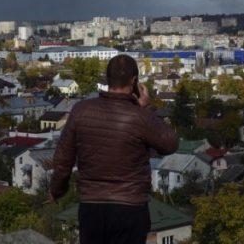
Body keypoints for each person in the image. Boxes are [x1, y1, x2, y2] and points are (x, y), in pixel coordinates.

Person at [49, 54, 178, 244]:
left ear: (107, 78)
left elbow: (63, 160)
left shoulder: (81, 110)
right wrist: (146, 108)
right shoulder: (140, 117)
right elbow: (170, 143)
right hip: (130, 208)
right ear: (134, 82)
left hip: (91, 207)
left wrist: (56, 190)